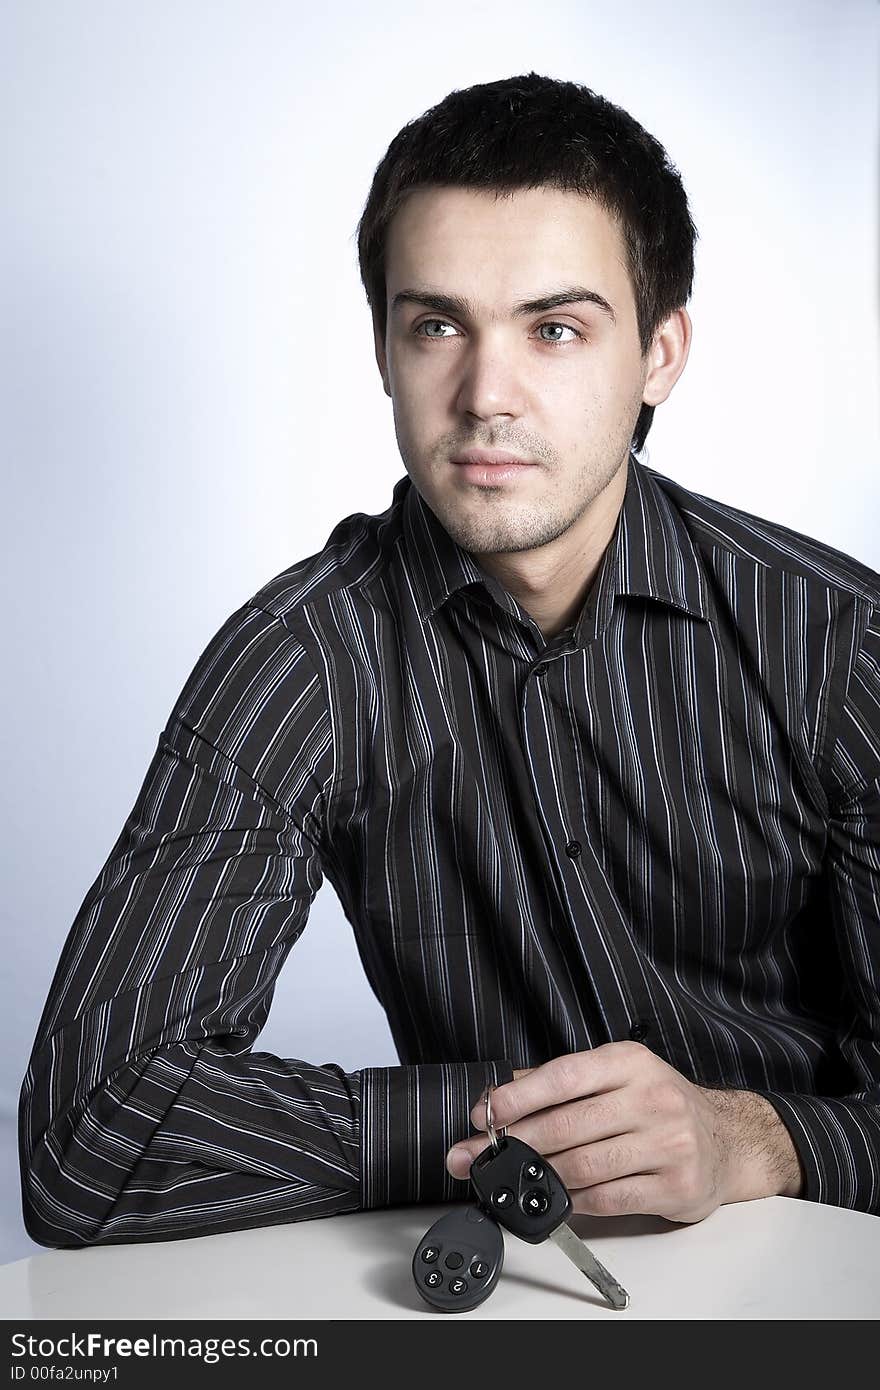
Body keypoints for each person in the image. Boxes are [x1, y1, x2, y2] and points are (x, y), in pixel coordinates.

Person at [19, 72, 880, 1250]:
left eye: (555, 328)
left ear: (660, 354)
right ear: (384, 349)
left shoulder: (842, 644)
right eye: (437, 325)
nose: (484, 395)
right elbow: (90, 1137)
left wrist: (750, 1138)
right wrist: (502, 1123)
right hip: (502, 1300)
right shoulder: (301, 661)